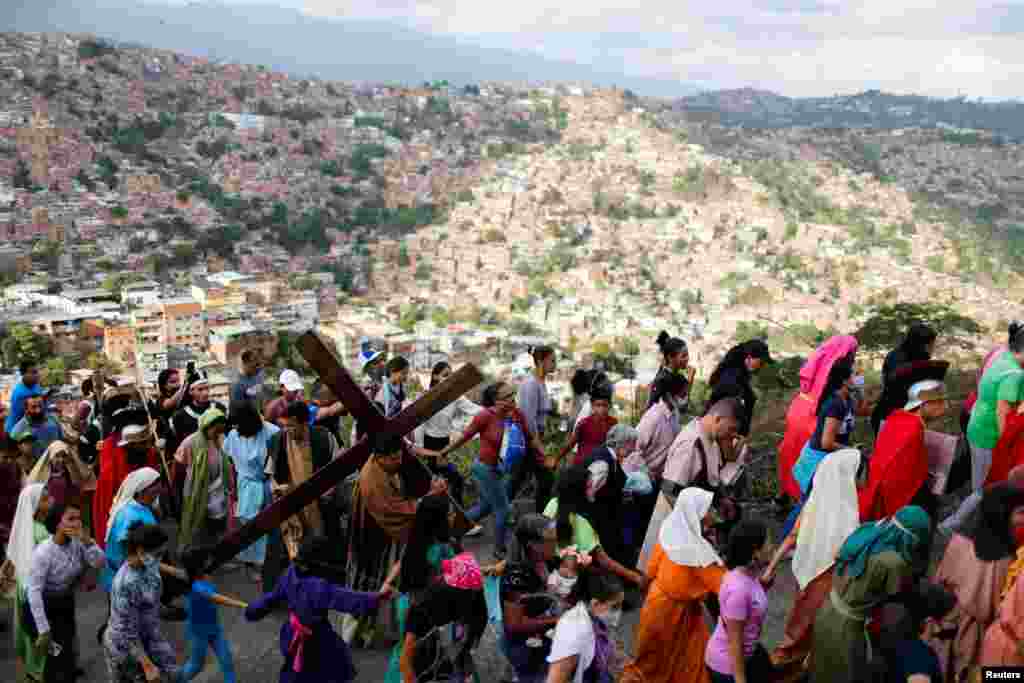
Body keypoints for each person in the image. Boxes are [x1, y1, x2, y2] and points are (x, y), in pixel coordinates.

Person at [343, 433, 447, 647]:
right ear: (379, 457)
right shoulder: (373, 481)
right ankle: (350, 637)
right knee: (365, 587)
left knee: (381, 584)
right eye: (393, 458)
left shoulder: (384, 467)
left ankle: (370, 632)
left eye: (400, 456)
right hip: (370, 541)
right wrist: (429, 499)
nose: (399, 462)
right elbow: (396, 510)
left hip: (381, 536)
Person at [762, 449, 861, 671]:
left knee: (799, 624)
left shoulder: (814, 502)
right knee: (811, 628)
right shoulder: (850, 511)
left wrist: (771, 568)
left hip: (807, 573)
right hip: (828, 581)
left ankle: (789, 663)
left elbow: (792, 537)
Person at [809, 506, 932, 683]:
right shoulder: (894, 562)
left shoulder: (867, 530)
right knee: (844, 674)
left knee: (821, 670)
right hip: (847, 629)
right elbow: (896, 600)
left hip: (826, 610)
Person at [246, 534, 393, 682]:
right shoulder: (319, 587)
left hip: (291, 632)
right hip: (317, 638)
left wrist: (253, 610)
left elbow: (271, 598)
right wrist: (377, 598)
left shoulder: (290, 572)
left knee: (295, 668)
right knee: (326, 668)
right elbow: (347, 598)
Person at [622, 488, 726, 683]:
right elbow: (725, 586)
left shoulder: (671, 530)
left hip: (658, 604)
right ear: (696, 514)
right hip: (671, 612)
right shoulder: (697, 553)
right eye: (708, 509)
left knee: (652, 659)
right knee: (677, 662)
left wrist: (643, 589)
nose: (712, 513)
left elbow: (650, 570)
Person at [923, 484, 1024, 682]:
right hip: (976, 646)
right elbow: (991, 611)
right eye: (1021, 512)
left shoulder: (958, 543)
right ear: (1003, 514)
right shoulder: (1006, 563)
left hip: (944, 637)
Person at [438, 382, 546, 559]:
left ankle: (451, 532)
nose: (512, 399)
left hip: (501, 470)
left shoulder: (517, 415)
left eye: (513, 394)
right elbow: (465, 436)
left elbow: (531, 438)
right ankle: (499, 549)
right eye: (507, 396)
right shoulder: (485, 416)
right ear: (496, 401)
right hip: (484, 469)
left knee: (485, 507)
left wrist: (545, 456)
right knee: (503, 509)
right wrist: (444, 452)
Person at [637, 398, 742, 571]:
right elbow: (669, 491)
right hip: (674, 527)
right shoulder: (690, 444)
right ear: (717, 419)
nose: (732, 436)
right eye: (731, 429)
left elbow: (711, 477)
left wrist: (722, 498)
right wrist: (702, 518)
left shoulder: (711, 440)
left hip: (693, 526)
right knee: (659, 575)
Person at [265, 401, 343, 583]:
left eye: (292, 426)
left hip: (320, 505)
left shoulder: (324, 438)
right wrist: (279, 489)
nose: (288, 430)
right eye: (285, 426)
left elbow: (338, 468)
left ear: (305, 423)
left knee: (323, 549)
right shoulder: (278, 440)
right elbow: (270, 473)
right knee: (291, 552)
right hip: (292, 508)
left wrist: (330, 490)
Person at [381, 495, 457, 683]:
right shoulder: (441, 549)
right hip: (425, 608)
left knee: (405, 650)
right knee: (419, 655)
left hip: (407, 603)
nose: (454, 516)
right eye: (449, 513)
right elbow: (454, 576)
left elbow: (401, 562)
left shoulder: (416, 540)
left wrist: (388, 583)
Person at [28, 502, 105, 683]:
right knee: (54, 653)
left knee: (66, 644)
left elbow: (100, 562)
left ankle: (67, 671)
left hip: (64, 602)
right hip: (43, 608)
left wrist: (88, 542)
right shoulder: (44, 553)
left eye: (79, 518)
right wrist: (43, 629)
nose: (77, 523)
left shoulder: (78, 543)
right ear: (57, 524)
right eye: (71, 519)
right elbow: (34, 592)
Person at [777, 335, 859, 502]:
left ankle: (785, 493)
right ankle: (802, 500)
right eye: (853, 352)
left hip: (800, 408)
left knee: (791, 452)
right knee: (812, 462)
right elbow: (828, 439)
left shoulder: (821, 361)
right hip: (812, 417)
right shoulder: (839, 372)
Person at [783, 361, 861, 539]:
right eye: (856, 374)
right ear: (844, 380)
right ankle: (786, 539)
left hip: (827, 457)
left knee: (814, 503)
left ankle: (802, 538)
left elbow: (863, 410)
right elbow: (826, 442)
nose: (859, 378)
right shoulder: (836, 404)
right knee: (807, 504)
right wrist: (852, 451)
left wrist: (860, 390)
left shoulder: (847, 399)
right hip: (818, 460)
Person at [545, 466, 649, 593]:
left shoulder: (552, 504)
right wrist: (636, 577)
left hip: (553, 572)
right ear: (577, 492)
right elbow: (605, 561)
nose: (593, 489)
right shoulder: (582, 524)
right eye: (589, 487)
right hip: (574, 581)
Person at [860, 379, 948, 522]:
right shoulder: (914, 428)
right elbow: (907, 476)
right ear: (923, 404)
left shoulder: (897, 416)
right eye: (939, 402)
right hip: (892, 496)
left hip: (879, 487)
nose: (945, 407)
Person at [104, 524, 179, 683]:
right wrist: (147, 665)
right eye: (158, 554)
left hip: (148, 636)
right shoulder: (126, 584)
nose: (160, 560)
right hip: (125, 647)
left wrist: (164, 610)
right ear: (140, 551)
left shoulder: (148, 565)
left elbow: (151, 601)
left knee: (173, 673)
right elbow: (127, 633)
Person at [491, 514, 561, 683]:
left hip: (542, 634)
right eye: (551, 540)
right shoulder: (517, 576)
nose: (556, 543)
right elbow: (514, 624)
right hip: (523, 646)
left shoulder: (548, 560)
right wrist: (557, 620)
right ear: (533, 545)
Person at [398, 553, 488, 683]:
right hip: (427, 659)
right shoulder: (423, 604)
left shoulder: (473, 591)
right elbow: (405, 659)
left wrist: (467, 655)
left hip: (452, 651)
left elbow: (477, 628)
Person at [704, 520, 774, 683]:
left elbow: (749, 608)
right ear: (755, 553)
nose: (772, 547)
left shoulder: (745, 574)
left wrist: (763, 587)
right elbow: (735, 643)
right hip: (728, 667)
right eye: (768, 543)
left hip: (746, 653)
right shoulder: (739, 590)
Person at [221, 400, 279, 573]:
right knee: (248, 525)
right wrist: (233, 487)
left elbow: (278, 461)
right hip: (245, 484)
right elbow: (230, 459)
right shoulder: (234, 435)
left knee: (268, 525)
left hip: (267, 483)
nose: (237, 428)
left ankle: (267, 562)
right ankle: (251, 563)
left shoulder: (272, 432)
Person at [967, 325, 1024, 493]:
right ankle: (976, 507)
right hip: (988, 436)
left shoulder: (1005, 356)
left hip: (977, 425)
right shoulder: (1014, 375)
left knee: (979, 477)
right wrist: (1006, 448)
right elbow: (1002, 413)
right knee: (985, 488)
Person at [178, 546, 247, 683]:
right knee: (196, 665)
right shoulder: (197, 587)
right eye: (206, 559)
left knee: (226, 659)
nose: (209, 560)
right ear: (199, 565)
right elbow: (216, 598)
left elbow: (168, 569)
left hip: (213, 627)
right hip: (199, 632)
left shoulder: (191, 575)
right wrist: (242, 605)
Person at [4, 484, 51, 683]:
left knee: (27, 633)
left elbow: (13, 555)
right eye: (45, 499)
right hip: (37, 592)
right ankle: (39, 673)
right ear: (36, 506)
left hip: (23, 590)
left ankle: (30, 671)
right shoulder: (41, 533)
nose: (51, 501)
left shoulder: (24, 528)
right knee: (38, 632)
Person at [545, 571, 625, 683]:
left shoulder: (594, 616)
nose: (619, 613)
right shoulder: (573, 637)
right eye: (615, 607)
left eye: (621, 606)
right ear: (595, 604)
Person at [419, 361, 480, 509]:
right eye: (445, 375)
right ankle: (448, 512)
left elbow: (474, 409)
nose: (449, 378)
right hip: (429, 444)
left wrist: (494, 411)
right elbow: (420, 424)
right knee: (442, 481)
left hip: (444, 444)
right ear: (435, 377)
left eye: (451, 375)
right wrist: (421, 449)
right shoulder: (428, 397)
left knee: (452, 481)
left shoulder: (455, 396)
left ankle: (458, 513)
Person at [92, 419, 158, 549]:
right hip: (124, 528)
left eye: (148, 442)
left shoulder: (148, 456)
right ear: (130, 445)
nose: (148, 446)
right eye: (143, 443)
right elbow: (104, 509)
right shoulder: (110, 472)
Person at [578, 424, 636, 566]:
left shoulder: (611, 458)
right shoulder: (603, 463)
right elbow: (588, 494)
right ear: (622, 442)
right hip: (597, 520)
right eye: (632, 444)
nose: (634, 448)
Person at [877, 582, 956, 683]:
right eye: (949, 620)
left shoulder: (903, 645)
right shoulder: (921, 659)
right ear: (931, 622)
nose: (954, 625)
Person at [175, 408, 231, 550]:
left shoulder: (220, 439)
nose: (218, 434)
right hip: (196, 491)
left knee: (217, 524)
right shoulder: (190, 442)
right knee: (197, 523)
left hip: (217, 490)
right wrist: (178, 495)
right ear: (206, 426)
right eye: (216, 430)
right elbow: (178, 468)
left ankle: (215, 550)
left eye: (221, 430)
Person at [512, 345, 557, 512]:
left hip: (534, 439)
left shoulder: (540, 382)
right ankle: (539, 516)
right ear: (540, 361)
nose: (555, 364)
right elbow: (528, 417)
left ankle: (538, 514)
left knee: (522, 479)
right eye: (552, 361)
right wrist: (537, 444)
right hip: (530, 440)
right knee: (545, 479)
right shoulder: (531, 384)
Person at [101, 468, 162, 593]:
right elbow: (131, 556)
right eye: (154, 491)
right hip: (125, 580)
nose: (156, 496)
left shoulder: (143, 507)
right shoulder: (128, 515)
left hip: (138, 574)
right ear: (142, 490)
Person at [872, 323, 938, 434]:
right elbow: (899, 389)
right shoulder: (898, 360)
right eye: (930, 344)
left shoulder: (916, 357)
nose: (932, 348)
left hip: (904, 416)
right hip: (890, 417)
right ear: (921, 344)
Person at [707, 339, 773, 439]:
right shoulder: (733, 378)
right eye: (762, 362)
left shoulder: (739, 371)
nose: (762, 366)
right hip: (719, 428)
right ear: (749, 358)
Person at [560, 380, 617, 467]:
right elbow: (572, 441)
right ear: (592, 406)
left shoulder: (613, 422)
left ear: (609, 405)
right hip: (583, 463)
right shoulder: (584, 421)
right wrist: (558, 458)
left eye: (605, 405)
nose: (601, 409)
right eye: (598, 405)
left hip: (602, 465)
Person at [28, 438, 96, 509]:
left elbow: (79, 486)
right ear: (51, 457)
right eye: (57, 456)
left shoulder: (70, 473)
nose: (61, 460)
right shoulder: (42, 475)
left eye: (64, 456)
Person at [647, 331, 696, 412]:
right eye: (683, 356)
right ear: (670, 358)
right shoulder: (665, 379)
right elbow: (681, 406)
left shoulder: (676, 377)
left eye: (687, 355)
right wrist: (690, 378)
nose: (687, 358)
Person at [11, 396, 64, 463]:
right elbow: (14, 454)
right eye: (34, 407)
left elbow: (61, 439)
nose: (38, 410)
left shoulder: (53, 419)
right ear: (26, 409)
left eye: (40, 406)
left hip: (56, 462)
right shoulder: (18, 430)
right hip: (36, 466)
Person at [6, 361, 43, 435]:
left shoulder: (36, 386)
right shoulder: (19, 393)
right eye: (33, 372)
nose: (37, 375)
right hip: (16, 432)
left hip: (28, 428)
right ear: (23, 374)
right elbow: (30, 415)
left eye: (37, 372)